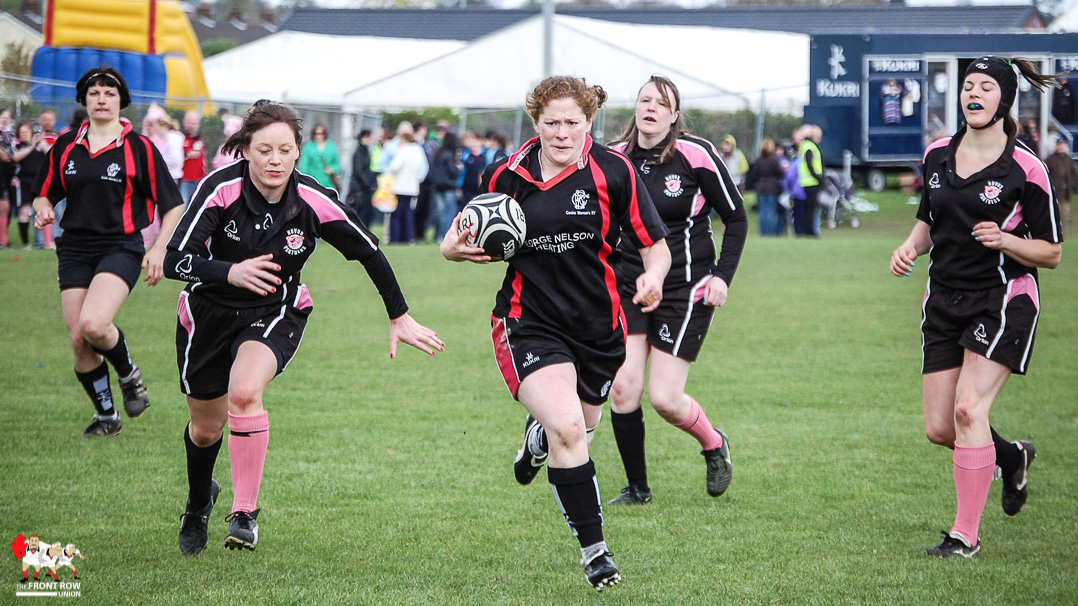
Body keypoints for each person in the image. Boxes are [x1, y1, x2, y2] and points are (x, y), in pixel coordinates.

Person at [165, 100, 444, 556]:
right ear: (246, 151)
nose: (274, 160)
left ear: (298, 153)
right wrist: (228, 272)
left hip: (275, 310)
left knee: (244, 392)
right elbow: (176, 258)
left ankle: (244, 514)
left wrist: (399, 314)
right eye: (264, 150)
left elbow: (369, 251)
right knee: (205, 430)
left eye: (284, 150)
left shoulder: (311, 198)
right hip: (210, 313)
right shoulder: (220, 189)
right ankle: (199, 503)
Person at [441, 76, 670, 591]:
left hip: (600, 330)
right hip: (528, 323)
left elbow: (656, 245)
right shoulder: (505, 174)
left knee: (580, 428)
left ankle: (537, 436)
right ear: (535, 122)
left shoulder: (614, 172)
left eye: (573, 123)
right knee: (571, 428)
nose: (562, 133)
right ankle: (596, 553)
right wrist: (454, 249)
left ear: (590, 122)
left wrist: (653, 276)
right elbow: (455, 237)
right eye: (552, 123)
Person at [890, 56, 1063, 559]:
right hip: (942, 298)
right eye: (969, 85)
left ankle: (965, 536)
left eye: (987, 86)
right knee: (942, 427)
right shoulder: (938, 154)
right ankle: (1012, 458)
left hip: (1002, 298)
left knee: (969, 409)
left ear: (1003, 99)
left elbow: (1051, 252)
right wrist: (909, 247)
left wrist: (1007, 240)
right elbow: (929, 218)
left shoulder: (1027, 167)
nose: (975, 93)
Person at [603, 76, 746, 506]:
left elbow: (736, 219)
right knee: (624, 389)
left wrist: (722, 276)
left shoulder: (695, 154)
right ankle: (638, 489)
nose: (651, 107)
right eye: (644, 100)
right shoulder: (614, 157)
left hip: (687, 285)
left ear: (674, 114)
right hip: (631, 285)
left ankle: (712, 442)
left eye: (661, 103)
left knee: (664, 397)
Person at [31, 65, 185, 437]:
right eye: (95, 92)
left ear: (121, 101)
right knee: (79, 340)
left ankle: (129, 373)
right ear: (84, 99)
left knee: (94, 324)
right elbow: (43, 193)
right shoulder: (66, 145)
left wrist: (159, 249)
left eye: (109, 93)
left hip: (121, 247)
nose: (102, 99)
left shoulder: (140, 149)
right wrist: (42, 207)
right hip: (74, 249)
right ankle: (107, 417)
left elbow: (174, 205)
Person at [386, 122, 428, 243]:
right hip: (413, 187)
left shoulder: (403, 151)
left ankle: (395, 238)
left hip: (400, 186)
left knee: (397, 214)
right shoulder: (418, 151)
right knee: (409, 213)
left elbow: (394, 167)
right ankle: (408, 237)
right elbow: (422, 170)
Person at [426, 130, 460, 242]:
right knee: (448, 212)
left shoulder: (439, 153)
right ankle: (444, 235)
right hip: (448, 187)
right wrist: (458, 168)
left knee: (438, 212)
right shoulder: (449, 155)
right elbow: (452, 171)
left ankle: (435, 234)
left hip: (437, 186)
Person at [754, 137, 786, 237]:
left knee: (763, 211)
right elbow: (780, 173)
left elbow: (754, 175)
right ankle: (770, 233)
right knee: (770, 211)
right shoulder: (774, 160)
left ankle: (764, 232)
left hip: (761, 187)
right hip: (772, 188)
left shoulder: (758, 160)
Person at [1045, 137, 1076, 237]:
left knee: (1064, 215)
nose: (1061, 147)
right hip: (1053, 191)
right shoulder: (1050, 159)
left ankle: (1063, 233)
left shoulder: (1068, 159)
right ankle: (1051, 232)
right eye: (1059, 145)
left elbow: (1073, 173)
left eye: (1062, 145)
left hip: (1065, 191)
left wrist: (1071, 184)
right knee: (1052, 213)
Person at [348, 129, 378, 227]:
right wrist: (368, 183)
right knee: (362, 214)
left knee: (368, 214)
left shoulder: (365, 151)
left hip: (365, 188)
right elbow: (359, 171)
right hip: (360, 189)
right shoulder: (359, 153)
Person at [797, 124, 824, 237]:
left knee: (809, 208)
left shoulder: (805, 145)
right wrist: (818, 177)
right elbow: (810, 164)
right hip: (811, 181)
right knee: (811, 208)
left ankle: (809, 230)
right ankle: (811, 231)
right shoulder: (809, 147)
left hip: (806, 181)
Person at [299, 123, 341, 191]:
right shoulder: (308, 147)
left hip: (328, 183)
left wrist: (332, 169)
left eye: (321, 133)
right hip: (312, 183)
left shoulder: (332, 147)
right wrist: (305, 181)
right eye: (316, 133)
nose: (319, 136)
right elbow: (304, 166)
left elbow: (337, 164)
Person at [179, 110, 207, 207]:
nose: (191, 125)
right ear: (184, 122)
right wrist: (187, 154)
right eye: (189, 122)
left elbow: (203, 160)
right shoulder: (180, 138)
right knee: (183, 204)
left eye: (193, 123)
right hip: (185, 179)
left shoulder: (199, 139)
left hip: (199, 179)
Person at [0, 107, 16, 248]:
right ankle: (2, 239)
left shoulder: (12, 133)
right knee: (3, 204)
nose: (5, 119)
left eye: (7, 116)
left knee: (9, 205)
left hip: (10, 171)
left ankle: (3, 237)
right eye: (2, 116)